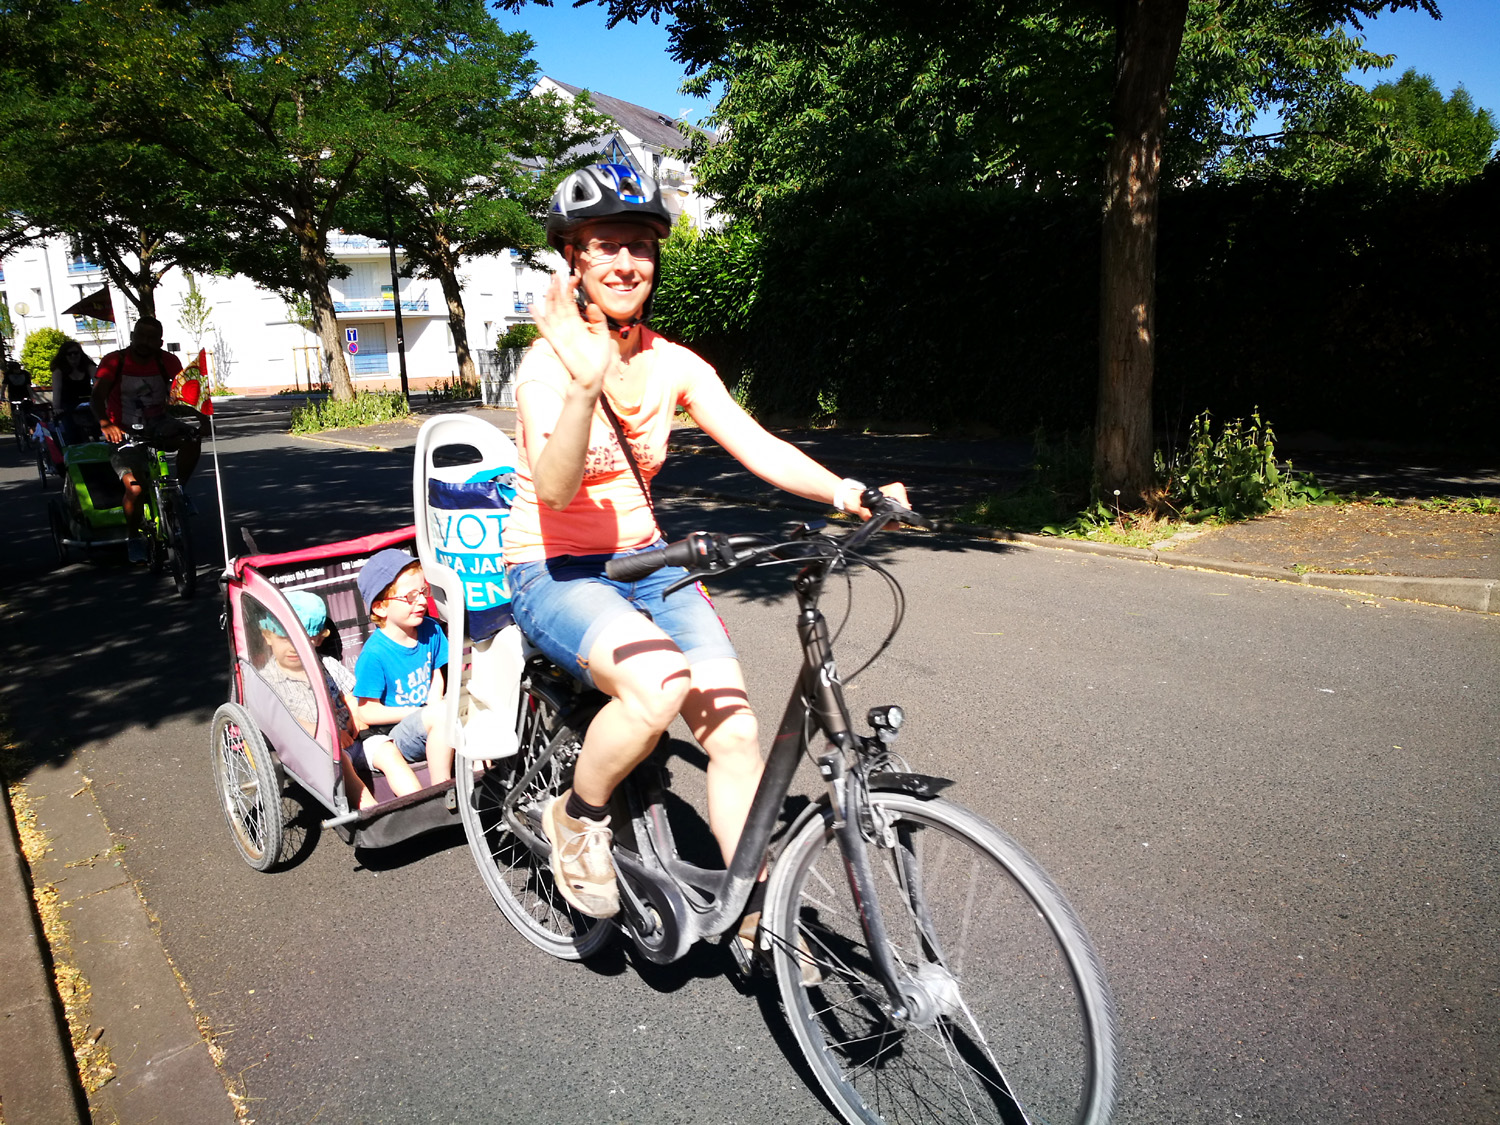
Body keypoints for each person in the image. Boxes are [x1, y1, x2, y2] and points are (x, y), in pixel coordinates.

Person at [504, 163, 907, 937]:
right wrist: (585, 387)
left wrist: (847, 492)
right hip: (555, 569)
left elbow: (756, 442)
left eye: (641, 246)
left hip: (649, 563)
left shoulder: (673, 363)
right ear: (574, 258)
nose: (627, 263)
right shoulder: (548, 367)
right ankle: (577, 816)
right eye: (606, 245)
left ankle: (755, 908)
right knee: (658, 685)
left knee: (738, 732)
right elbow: (554, 491)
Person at [258, 590, 419, 811]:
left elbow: (350, 694)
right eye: (285, 639)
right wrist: (331, 734)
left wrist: (355, 715)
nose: (295, 648)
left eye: (306, 641)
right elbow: (286, 722)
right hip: (322, 750)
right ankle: (371, 811)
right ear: (268, 636)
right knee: (341, 764)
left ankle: (416, 801)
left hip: (355, 740)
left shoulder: (328, 665)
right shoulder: (269, 680)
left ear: (318, 640)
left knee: (388, 751)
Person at [90, 317, 201, 563]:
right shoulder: (114, 361)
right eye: (140, 336)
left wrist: (202, 418)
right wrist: (106, 423)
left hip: (159, 423)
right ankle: (133, 537)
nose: (144, 342)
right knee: (135, 487)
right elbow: (96, 397)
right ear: (132, 337)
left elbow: (184, 395)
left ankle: (179, 491)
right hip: (123, 429)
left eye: (151, 338)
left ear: (160, 342)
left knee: (192, 438)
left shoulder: (168, 361)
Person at [352, 549, 455, 789]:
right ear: (381, 608)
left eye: (423, 592)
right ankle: (443, 789)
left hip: (428, 715)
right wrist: (421, 712)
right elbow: (367, 713)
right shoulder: (374, 654)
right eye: (410, 596)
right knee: (442, 714)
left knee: (469, 705)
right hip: (395, 732)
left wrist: (435, 703)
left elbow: (435, 674)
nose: (422, 601)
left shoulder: (431, 629)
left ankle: (483, 778)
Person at [50, 339, 99, 444]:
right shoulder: (58, 371)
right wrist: (56, 408)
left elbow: (98, 386)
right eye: (69, 354)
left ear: (80, 354)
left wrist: (104, 403)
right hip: (68, 405)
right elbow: (57, 390)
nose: (73, 356)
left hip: (88, 403)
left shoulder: (89, 367)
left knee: (100, 428)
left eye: (76, 353)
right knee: (72, 434)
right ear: (64, 356)